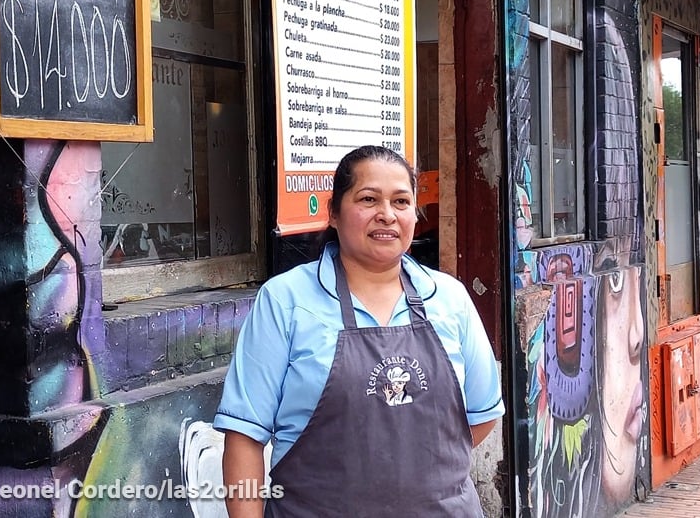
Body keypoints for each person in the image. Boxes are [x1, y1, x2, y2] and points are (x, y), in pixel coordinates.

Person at [214, 145, 505, 517]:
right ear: (334, 213)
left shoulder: (450, 298)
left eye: (401, 202)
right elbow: (244, 437)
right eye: (369, 199)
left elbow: (481, 415)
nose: (387, 215)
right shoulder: (286, 300)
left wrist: (405, 472)